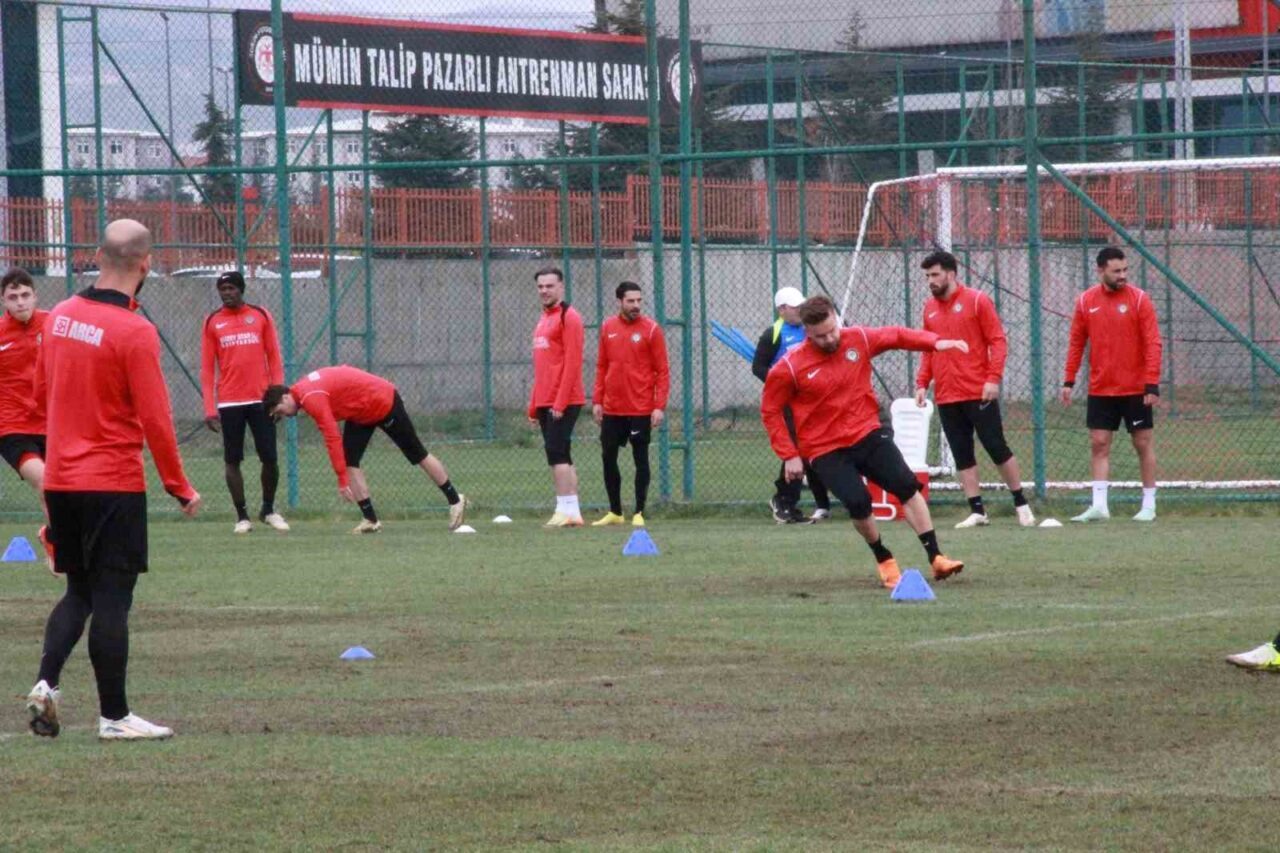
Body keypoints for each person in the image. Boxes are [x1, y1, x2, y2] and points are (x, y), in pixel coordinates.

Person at [26, 219, 202, 742]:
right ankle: (115, 716)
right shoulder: (134, 331)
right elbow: (156, 419)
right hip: (112, 483)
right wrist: (179, 485)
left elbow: (38, 393)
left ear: (98, 255)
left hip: (61, 480)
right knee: (112, 599)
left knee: (78, 590)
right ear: (146, 264)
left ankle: (45, 684)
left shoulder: (59, 316)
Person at [761, 295, 968, 589]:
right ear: (807, 332)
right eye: (820, 336)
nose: (830, 339)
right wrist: (789, 454)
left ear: (836, 319)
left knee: (907, 486)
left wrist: (935, 342)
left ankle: (936, 557)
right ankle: (884, 558)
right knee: (858, 502)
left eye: (832, 330)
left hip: (867, 432)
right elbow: (770, 411)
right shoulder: (790, 367)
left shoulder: (857, 338)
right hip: (824, 448)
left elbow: (897, 335)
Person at [262, 365, 467, 533]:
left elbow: (332, 437)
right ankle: (370, 519)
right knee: (350, 460)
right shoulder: (303, 393)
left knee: (417, 454)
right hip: (361, 411)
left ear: (285, 397)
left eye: (279, 411)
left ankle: (455, 500)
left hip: (382, 402)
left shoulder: (310, 397)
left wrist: (342, 480)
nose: (282, 416)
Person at [913, 251, 1035, 529]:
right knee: (961, 452)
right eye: (927, 276)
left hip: (978, 391)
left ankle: (1021, 504)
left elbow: (998, 341)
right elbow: (928, 348)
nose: (930, 280)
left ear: (951, 274)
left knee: (996, 446)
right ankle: (977, 511)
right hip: (946, 394)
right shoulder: (929, 308)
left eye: (935, 274)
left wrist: (993, 378)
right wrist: (922, 383)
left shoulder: (978, 300)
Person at [1061, 246, 1162, 523]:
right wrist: (1069, 379)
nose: (1123, 275)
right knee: (1099, 443)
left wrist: (1151, 383)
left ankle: (1149, 505)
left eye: (1125, 270)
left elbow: (1153, 343)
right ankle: (1099, 506)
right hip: (1101, 388)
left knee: (1142, 443)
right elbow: (1076, 342)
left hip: (1136, 389)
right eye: (1116, 271)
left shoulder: (1140, 300)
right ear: (1100, 270)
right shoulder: (1085, 301)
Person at [200, 271, 288, 534]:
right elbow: (207, 368)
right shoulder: (213, 321)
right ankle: (242, 516)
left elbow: (274, 357)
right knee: (232, 460)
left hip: (261, 400)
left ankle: (268, 510)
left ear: (241, 289)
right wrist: (209, 408)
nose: (226, 293)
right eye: (222, 289)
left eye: (231, 288)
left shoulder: (260, 315)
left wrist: (278, 397)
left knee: (269, 458)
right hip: (229, 402)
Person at [590, 281, 669, 527]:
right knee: (608, 457)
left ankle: (639, 512)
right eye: (630, 301)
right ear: (619, 301)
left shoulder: (652, 330)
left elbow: (662, 371)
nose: (636, 305)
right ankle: (615, 511)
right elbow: (602, 366)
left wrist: (659, 406)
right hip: (612, 407)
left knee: (640, 458)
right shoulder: (607, 327)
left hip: (640, 408)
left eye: (638, 301)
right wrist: (597, 400)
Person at [752, 286, 832, 524]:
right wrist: (782, 384)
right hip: (788, 402)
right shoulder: (773, 334)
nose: (799, 311)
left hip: (813, 399)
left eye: (801, 306)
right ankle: (784, 501)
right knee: (797, 449)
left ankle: (818, 504)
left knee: (815, 448)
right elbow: (758, 367)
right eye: (795, 308)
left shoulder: (810, 330)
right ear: (782, 310)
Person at [0, 267, 54, 562]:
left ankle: (54, 537)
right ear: (3, 301)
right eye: (13, 297)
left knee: (63, 490)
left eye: (25, 295)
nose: (20, 302)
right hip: (12, 428)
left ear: (35, 296)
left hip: (53, 424)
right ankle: (61, 545)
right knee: (47, 482)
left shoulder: (53, 325)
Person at [528, 267, 586, 527]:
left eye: (549, 286)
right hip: (546, 400)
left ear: (561, 287)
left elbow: (573, 363)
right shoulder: (543, 319)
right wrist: (534, 405)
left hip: (563, 400)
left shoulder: (569, 317)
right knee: (563, 453)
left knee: (556, 452)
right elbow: (542, 366)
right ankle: (573, 511)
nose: (544, 291)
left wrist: (560, 402)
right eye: (540, 286)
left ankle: (563, 509)